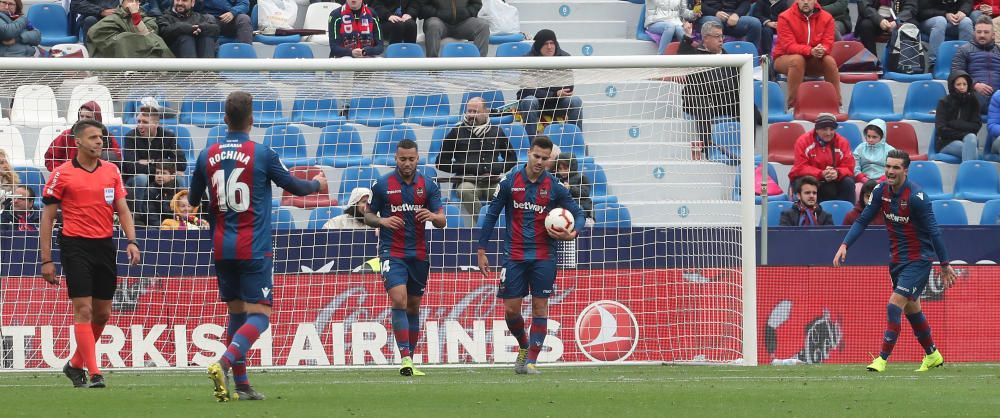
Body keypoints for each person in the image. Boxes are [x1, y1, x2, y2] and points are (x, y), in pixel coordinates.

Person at [190, 91, 327, 402]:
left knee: (237, 313)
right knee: (261, 316)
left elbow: (194, 200)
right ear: (252, 121)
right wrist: (318, 183)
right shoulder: (262, 153)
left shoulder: (205, 155)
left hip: (222, 247)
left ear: (225, 120)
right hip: (254, 247)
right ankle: (223, 364)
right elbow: (295, 187)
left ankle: (241, 384)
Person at [40, 118, 141, 389]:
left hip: (105, 246)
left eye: (101, 138)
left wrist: (132, 241)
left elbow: (122, 209)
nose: (99, 142)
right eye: (94, 137)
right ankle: (95, 372)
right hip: (75, 246)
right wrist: (46, 259)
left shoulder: (111, 171)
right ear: (78, 142)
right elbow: (47, 219)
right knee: (83, 310)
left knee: (103, 313)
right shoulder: (62, 174)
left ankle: (74, 364)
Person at [834, 149, 956, 373]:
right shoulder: (881, 190)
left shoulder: (917, 198)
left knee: (894, 304)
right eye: (888, 166)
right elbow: (863, 220)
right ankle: (933, 354)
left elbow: (934, 232)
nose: (890, 171)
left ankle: (881, 359)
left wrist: (945, 264)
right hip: (897, 260)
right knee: (912, 308)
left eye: (895, 167)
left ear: (905, 171)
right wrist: (845, 244)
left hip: (919, 259)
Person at [476, 136, 585, 375]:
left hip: (544, 256)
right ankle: (524, 345)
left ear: (549, 160)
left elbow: (579, 214)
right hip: (514, 255)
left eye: (545, 159)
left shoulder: (554, 186)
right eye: (536, 156)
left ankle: (531, 361)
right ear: (529, 153)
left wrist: (573, 233)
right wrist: (481, 250)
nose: (539, 161)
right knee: (511, 311)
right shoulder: (509, 181)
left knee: (540, 307)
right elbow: (492, 215)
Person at [363, 139, 446, 376]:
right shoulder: (382, 185)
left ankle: (411, 357)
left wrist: (431, 215)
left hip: (419, 254)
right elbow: (368, 215)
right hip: (392, 251)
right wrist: (382, 221)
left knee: (413, 306)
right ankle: (405, 358)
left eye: (411, 159)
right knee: (398, 299)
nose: (407, 163)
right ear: (395, 158)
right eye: (402, 159)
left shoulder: (428, 185)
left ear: (417, 158)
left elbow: (442, 221)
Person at [436, 97, 517, 224]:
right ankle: (484, 224)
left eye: (476, 112)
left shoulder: (497, 131)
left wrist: (495, 169)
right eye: (469, 111)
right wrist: (466, 168)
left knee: (506, 191)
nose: (471, 115)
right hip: (467, 182)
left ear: (486, 112)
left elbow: (512, 159)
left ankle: (504, 226)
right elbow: (440, 162)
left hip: (492, 182)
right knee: (465, 190)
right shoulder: (456, 132)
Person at [678, 20, 742, 158]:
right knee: (704, 105)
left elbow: (736, 83)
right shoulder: (695, 54)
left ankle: (748, 149)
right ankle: (708, 149)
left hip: (724, 99)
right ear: (705, 38)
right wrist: (687, 37)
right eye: (716, 36)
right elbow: (681, 58)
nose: (721, 40)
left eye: (722, 36)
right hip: (700, 99)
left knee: (749, 107)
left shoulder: (731, 58)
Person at [121, 98, 184, 217]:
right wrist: (162, 170)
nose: (140, 125)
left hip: (160, 177)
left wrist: (152, 162)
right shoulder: (130, 137)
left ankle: (176, 215)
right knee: (141, 178)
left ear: (156, 124)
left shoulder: (168, 136)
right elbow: (130, 167)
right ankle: (137, 217)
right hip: (136, 179)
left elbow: (182, 164)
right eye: (138, 121)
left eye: (144, 122)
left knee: (179, 179)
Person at [773, 0, 841, 110]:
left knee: (830, 61)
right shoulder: (784, 17)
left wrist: (823, 50)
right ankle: (793, 106)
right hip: (784, 58)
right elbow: (789, 46)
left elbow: (828, 42)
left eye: (809, 0)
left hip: (812, 59)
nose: (805, 2)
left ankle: (836, 105)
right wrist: (810, 51)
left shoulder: (827, 17)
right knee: (797, 60)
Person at [516, 29, 584, 137]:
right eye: (545, 44)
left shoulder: (565, 58)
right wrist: (554, 93)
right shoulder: (527, 59)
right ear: (538, 46)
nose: (549, 47)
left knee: (575, 101)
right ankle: (531, 144)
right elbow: (529, 90)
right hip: (536, 104)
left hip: (557, 103)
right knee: (530, 100)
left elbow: (568, 88)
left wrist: (540, 88)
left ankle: (575, 141)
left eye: (552, 43)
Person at [789, 113, 857, 204]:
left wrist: (837, 172)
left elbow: (849, 167)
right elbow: (800, 168)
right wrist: (821, 173)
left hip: (832, 178)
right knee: (826, 189)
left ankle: (847, 213)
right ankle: (810, 214)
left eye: (832, 129)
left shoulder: (842, 142)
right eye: (824, 129)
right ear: (817, 129)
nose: (829, 133)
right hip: (811, 177)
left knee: (848, 182)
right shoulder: (803, 141)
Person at [45, 102, 123, 172]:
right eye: (82, 116)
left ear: (96, 119)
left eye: (88, 117)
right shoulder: (67, 135)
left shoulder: (106, 137)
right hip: (70, 178)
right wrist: (63, 172)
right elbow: (50, 157)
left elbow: (117, 157)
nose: (83, 120)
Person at [87, 0, 174, 58]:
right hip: (121, 61)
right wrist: (126, 38)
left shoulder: (148, 19)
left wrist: (135, 15)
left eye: (136, 1)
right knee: (123, 38)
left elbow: (150, 37)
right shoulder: (112, 19)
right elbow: (95, 33)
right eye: (130, 0)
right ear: (122, 3)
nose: (133, 3)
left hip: (147, 59)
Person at [951, 16, 1000, 114]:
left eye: (986, 32)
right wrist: (975, 85)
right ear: (974, 33)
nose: (982, 35)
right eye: (979, 32)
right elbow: (956, 74)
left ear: (993, 35)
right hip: (974, 94)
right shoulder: (964, 50)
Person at [935, 70, 982, 161]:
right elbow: (941, 129)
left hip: (968, 140)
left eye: (965, 84)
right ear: (952, 86)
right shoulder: (944, 102)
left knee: (971, 138)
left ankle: (966, 174)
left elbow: (976, 126)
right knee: (972, 150)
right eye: (958, 84)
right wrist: (965, 132)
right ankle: (969, 174)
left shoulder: (973, 101)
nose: (962, 87)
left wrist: (955, 124)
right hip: (946, 142)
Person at [420, 0, 490, 57]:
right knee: (433, 26)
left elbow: (476, 4)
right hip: (439, 21)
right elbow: (422, 7)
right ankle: (433, 68)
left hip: (463, 22)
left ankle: (478, 66)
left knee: (483, 26)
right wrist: (439, 13)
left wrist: (466, 12)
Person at [918, 0, 974, 69]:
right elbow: (922, 12)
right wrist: (944, 14)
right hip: (929, 21)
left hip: (952, 21)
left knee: (966, 21)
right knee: (940, 21)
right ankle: (934, 65)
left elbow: (968, 2)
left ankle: (966, 64)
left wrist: (963, 11)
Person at [698, 0, 763, 52]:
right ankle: (713, 57)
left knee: (755, 23)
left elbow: (745, 2)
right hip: (709, 15)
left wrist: (737, 14)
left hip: (732, 16)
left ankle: (752, 58)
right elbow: (697, 3)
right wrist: (715, 13)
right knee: (714, 24)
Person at [853, 119, 895, 184]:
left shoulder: (890, 150)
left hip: (884, 181)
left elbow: (893, 169)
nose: (870, 140)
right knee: (857, 190)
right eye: (868, 136)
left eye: (874, 137)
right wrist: (861, 178)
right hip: (862, 181)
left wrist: (882, 180)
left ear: (882, 137)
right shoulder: (860, 148)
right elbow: (855, 165)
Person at [554, 151, 594, 220]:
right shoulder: (557, 179)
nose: (563, 171)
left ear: (572, 167)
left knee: (580, 209)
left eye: (565, 168)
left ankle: (587, 219)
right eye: (560, 169)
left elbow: (585, 193)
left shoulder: (581, 177)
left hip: (579, 204)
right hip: (563, 206)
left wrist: (571, 188)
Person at [137, 162, 178, 227]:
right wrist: (164, 226)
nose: (159, 176)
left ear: (173, 176)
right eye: (157, 173)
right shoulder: (150, 191)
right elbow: (151, 217)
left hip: (175, 226)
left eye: (163, 173)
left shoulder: (178, 190)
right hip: (157, 227)